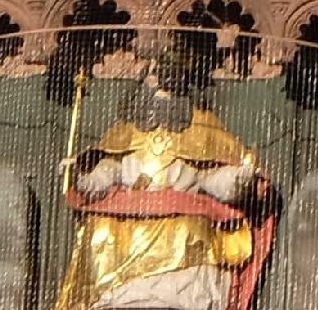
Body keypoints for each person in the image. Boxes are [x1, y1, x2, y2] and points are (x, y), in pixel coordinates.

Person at [55, 84, 273, 310]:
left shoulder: (203, 130)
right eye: (154, 91)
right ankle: (112, 298)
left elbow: (214, 180)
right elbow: (104, 176)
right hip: (130, 214)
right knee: (101, 228)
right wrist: (79, 179)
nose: (160, 103)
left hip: (182, 215)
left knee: (190, 228)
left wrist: (240, 179)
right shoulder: (124, 136)